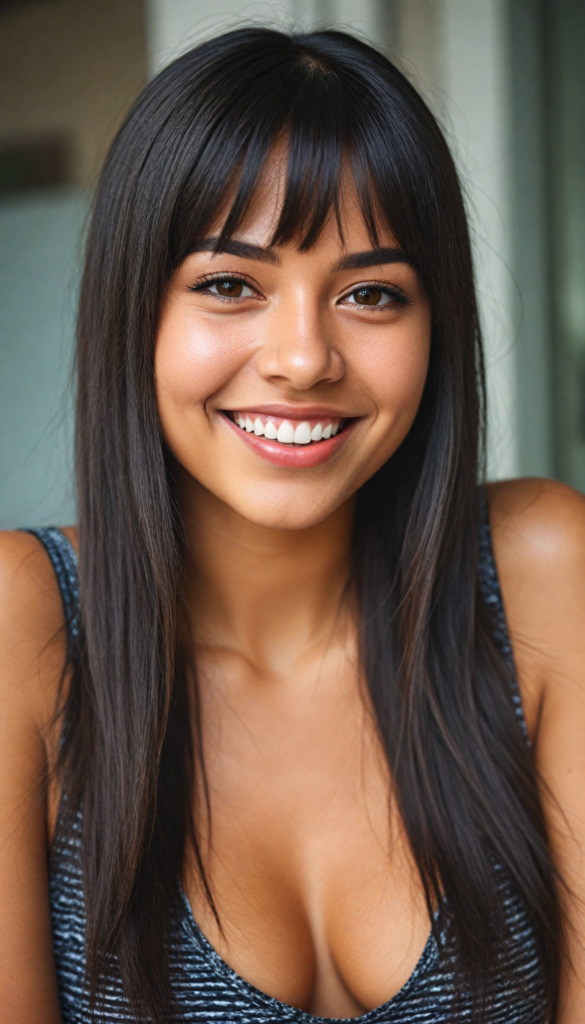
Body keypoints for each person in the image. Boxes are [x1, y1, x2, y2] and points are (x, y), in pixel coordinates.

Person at [1, 26, 584, 1024]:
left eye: (371, 293)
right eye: (231, 284)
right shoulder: (28, 626)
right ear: (134, 307)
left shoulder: (542, 569)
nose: (304, 357)